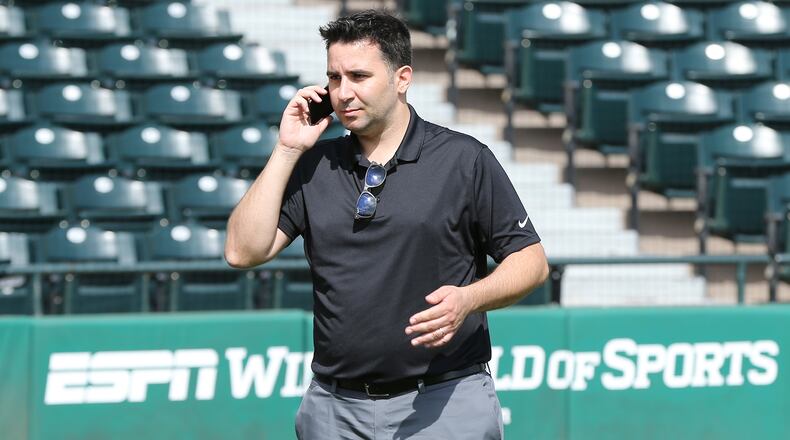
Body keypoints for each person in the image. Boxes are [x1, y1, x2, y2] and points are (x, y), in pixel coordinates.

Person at [225, 9, 549, 440]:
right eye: (334, 78)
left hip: (444, 404)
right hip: (333, 410)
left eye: (359, 76)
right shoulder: (313, 165)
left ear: (402, 78)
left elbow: (531, 261)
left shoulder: (463, 159)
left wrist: (470, 299)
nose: (343, 92)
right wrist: (287, 150)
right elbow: (242, 252)